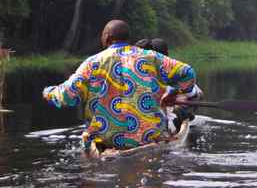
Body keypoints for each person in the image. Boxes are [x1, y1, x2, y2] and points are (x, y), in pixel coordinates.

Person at [43, 20, 201, 151]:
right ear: (127, 38)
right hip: (148, 137)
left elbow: (67, 96)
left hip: (107, 141)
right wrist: (175, 93)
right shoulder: (152, 58)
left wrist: (48, 92)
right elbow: (187, 72)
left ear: (106, 37)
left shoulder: (92, 63)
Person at [135, 38, 203, 131]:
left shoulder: (160, 66)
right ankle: (182, 115)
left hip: (175, 93)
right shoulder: (158, 65)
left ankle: (180, 115)